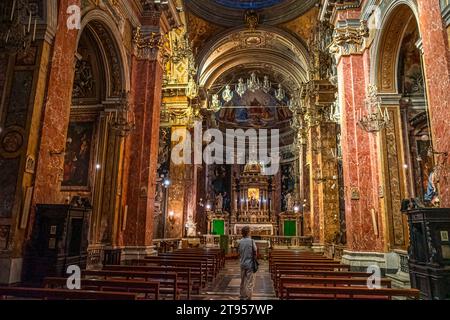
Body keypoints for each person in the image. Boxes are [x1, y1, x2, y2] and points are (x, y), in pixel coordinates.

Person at [238, 226, 257, 300]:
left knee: (243, 280)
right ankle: (249, 296)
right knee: (250, 281)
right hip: (250, 263)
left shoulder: (240, 241)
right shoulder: (251, 241)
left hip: (242, 263)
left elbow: (239, 252)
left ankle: (242, 295)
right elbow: (255, 251)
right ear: (248, 232)